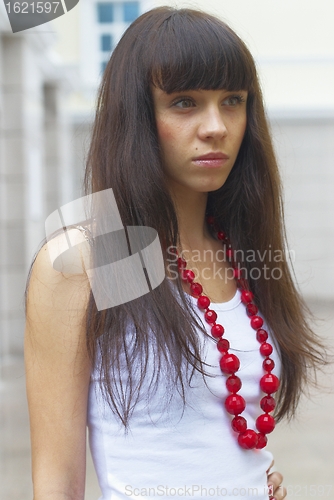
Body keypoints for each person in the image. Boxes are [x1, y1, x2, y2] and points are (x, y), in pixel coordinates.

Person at [24, 6, 325, 500]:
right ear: (138, 116)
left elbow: (210, 429)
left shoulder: (239, 251)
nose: (216, 126)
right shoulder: (92, 259)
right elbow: (57, 482)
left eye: (233, 100)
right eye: (184, 102)